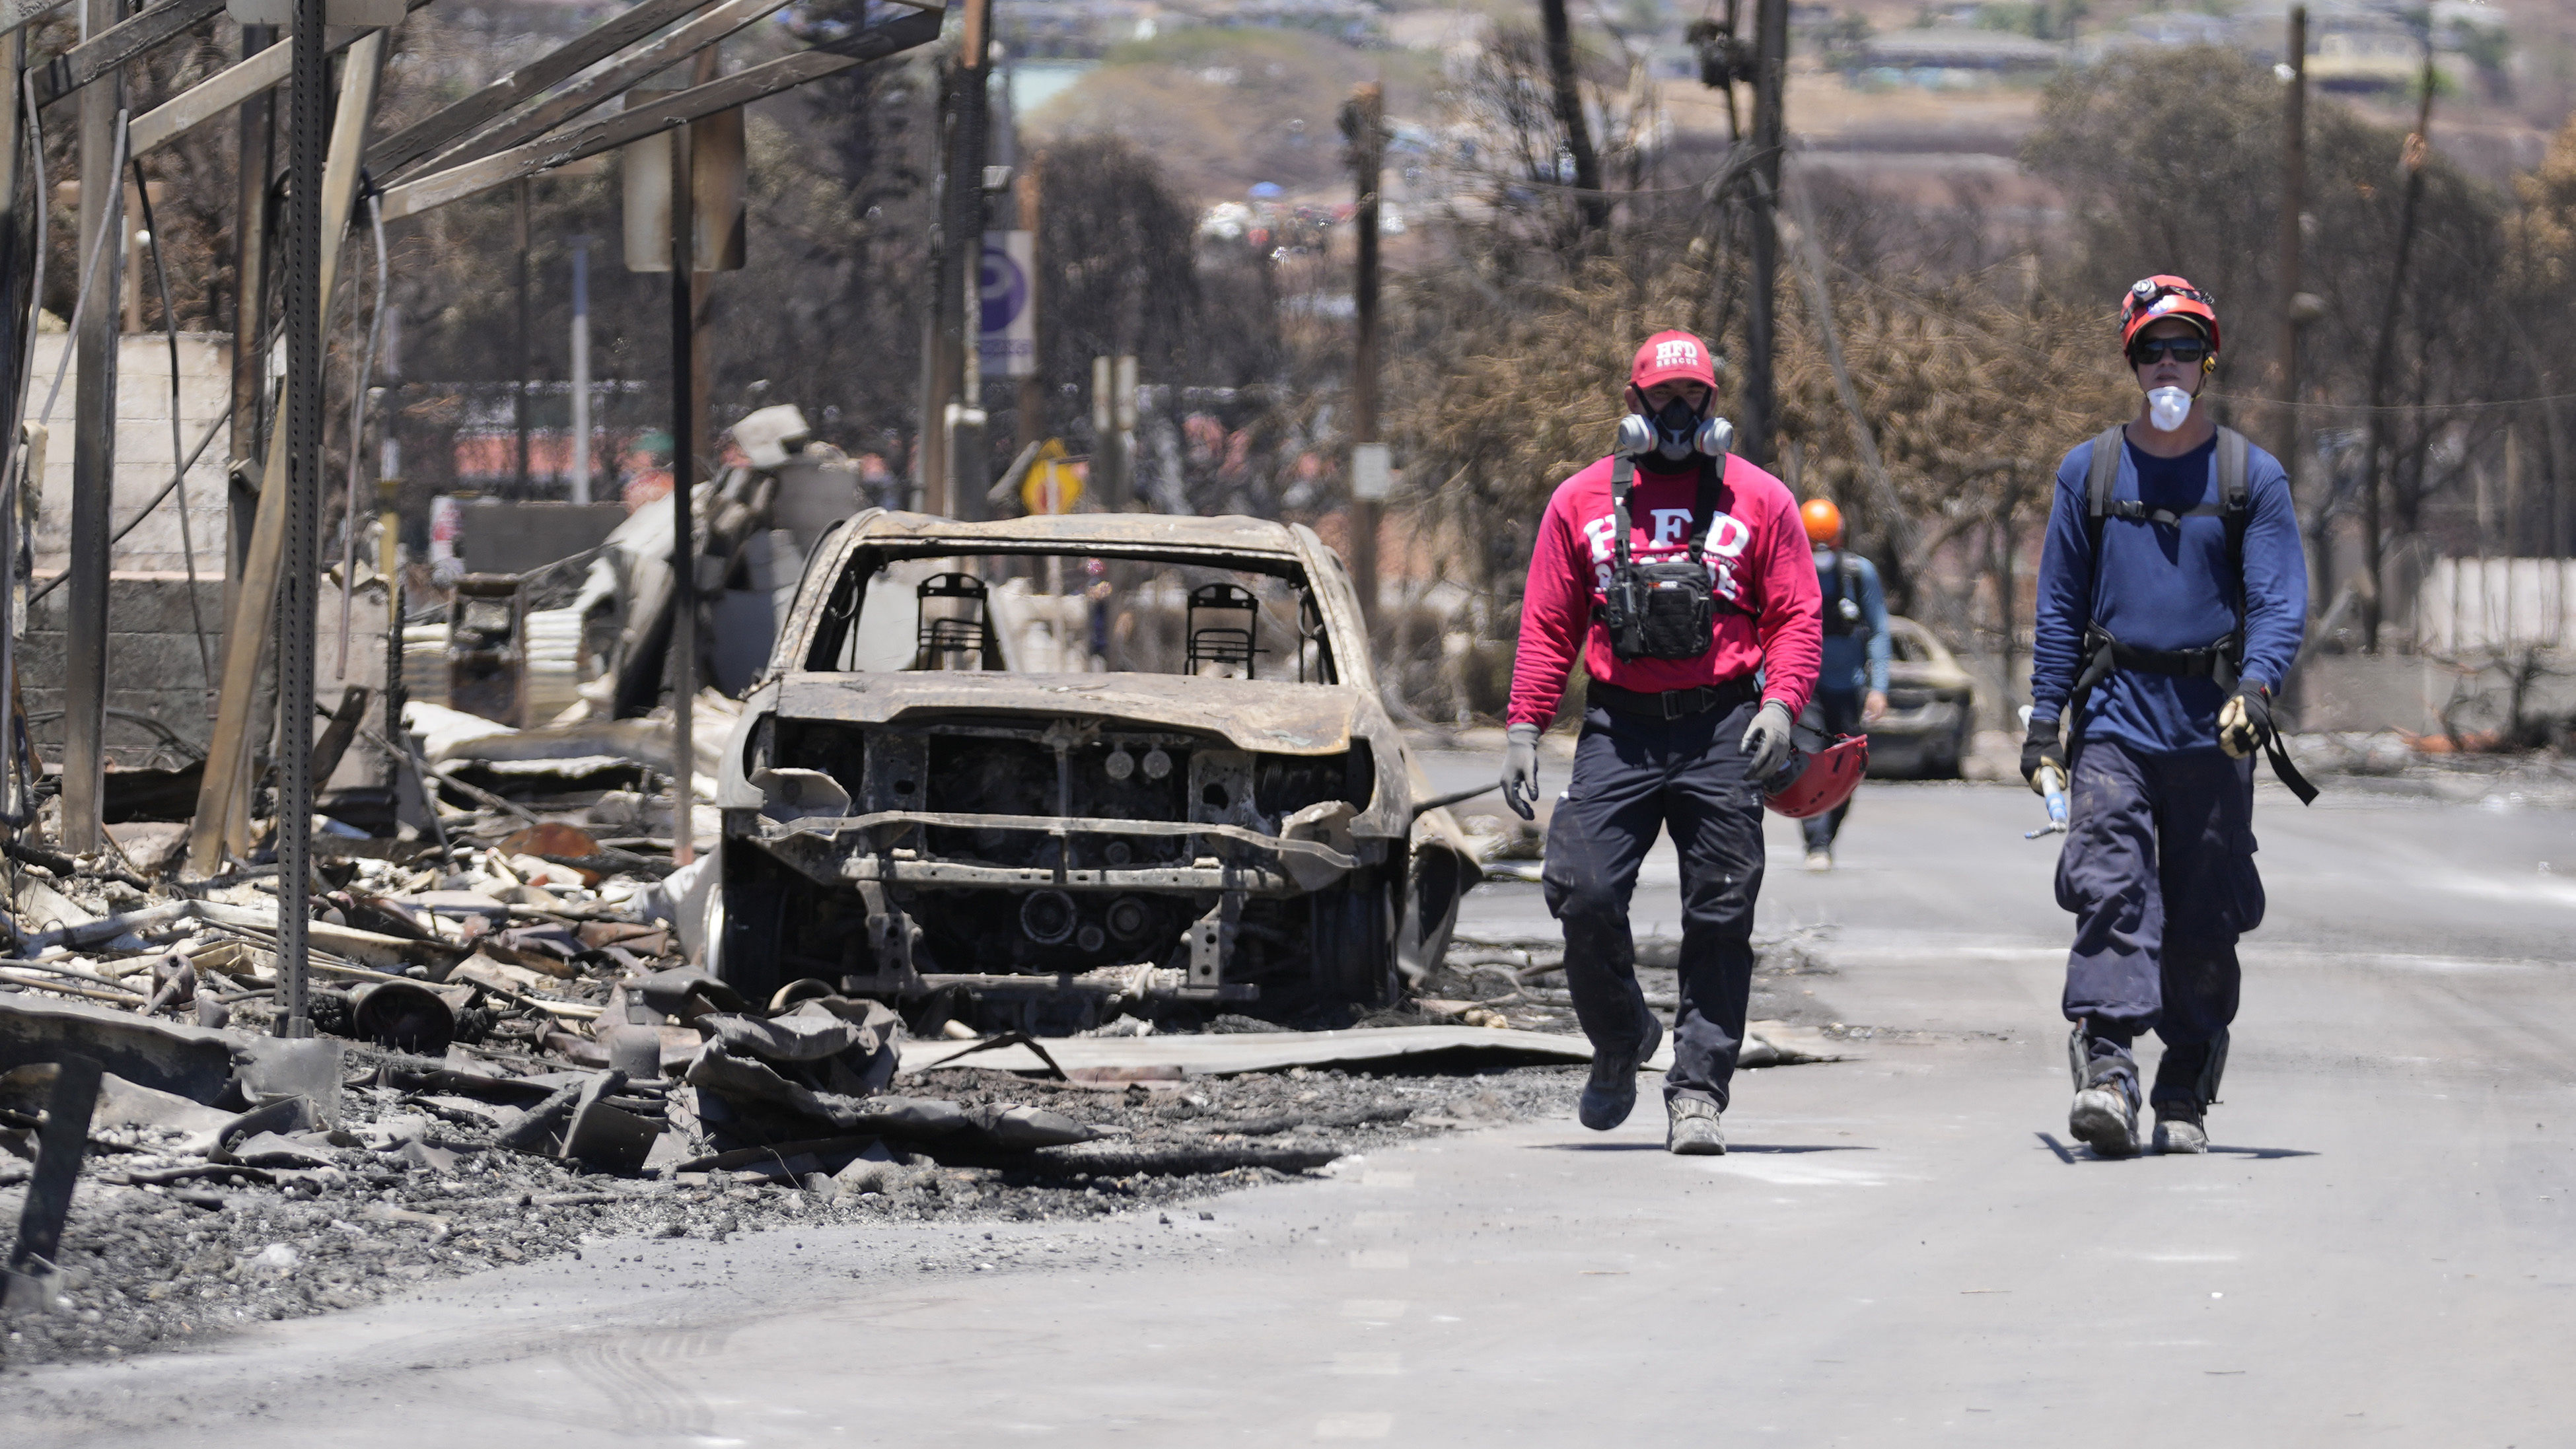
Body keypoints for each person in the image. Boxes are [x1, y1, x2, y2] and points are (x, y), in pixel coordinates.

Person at [1500, 330, 1823, 1156]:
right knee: (1584, 889)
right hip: (1621, 728)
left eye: (1695, 399)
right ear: (1634, 405)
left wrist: (1781, 706)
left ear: (1713, 404)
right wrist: (1524, 726)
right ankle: (1621, 1037)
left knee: (1721, 908)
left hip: (1724, 727)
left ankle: (1698, 1093)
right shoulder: (1579, 502)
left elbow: (1796, 617)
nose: (1680, 413)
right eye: (1664, 399)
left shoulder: (1761, 500)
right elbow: (1547, 623)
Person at [2023, 276, 2310, 1159]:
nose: (2167, 364)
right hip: (2114, 722)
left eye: (2183, 347)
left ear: (2208, 359)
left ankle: (2184, 1078)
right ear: (2132, 362)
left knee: (2202, 912)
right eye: (2151, 349)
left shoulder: (2249, 476)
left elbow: (2278, 600)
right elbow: (2059, 605)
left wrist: (2256, 691)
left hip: (2213, 729)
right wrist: (2044, 723)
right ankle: (2108, 1069)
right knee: (2111, 886)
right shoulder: (2092, 471)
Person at [1797, 499, 1888, 871]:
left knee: (1847, 767)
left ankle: (1827, 837)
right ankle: (1815, 841)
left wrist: (1879, 687)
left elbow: (1879, 630)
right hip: (1804, 689)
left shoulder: (1858, 574)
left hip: (1848, 691)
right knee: (1806, 763)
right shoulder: (1790, 570)